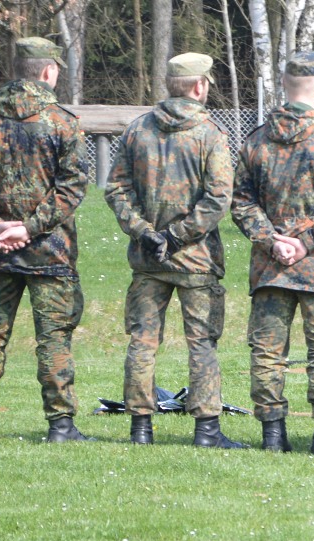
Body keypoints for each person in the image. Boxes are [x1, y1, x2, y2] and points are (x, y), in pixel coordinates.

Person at [0, 37, 91, 443]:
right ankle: (61, 426)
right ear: (49, 72)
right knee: (53, 336)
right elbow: (72, 187)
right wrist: (27, 228)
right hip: (50, 250)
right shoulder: (63, 122)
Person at [105, 52, 245, 449]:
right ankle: (206, 431)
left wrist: (147, 233)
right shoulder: (209, 134)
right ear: (200, 86)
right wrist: (177, 236)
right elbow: (220, 198)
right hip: (196, 260)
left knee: (143, 342)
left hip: (149, 258)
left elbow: (116, 189)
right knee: (201, 343)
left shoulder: (137, 130)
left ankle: (141, 429)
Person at [232, 50, 314, 453]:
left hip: (271, 268)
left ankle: (273, 436)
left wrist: (273, 240)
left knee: (268, 354)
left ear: (284, 86)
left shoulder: (256, 141)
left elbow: (241, 202)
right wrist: (304, 243)